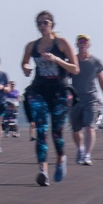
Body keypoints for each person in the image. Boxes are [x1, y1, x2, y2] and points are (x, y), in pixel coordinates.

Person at [21, 11, 79, 186]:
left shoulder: (61, 43)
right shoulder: (32, 46)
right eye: (39, 23)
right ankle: (42, 170)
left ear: (52, 24)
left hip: (59, 92)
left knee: (57, 131)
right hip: (39, 90)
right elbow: (24, 62)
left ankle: (61, 158)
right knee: (41, 130)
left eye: (45, 22)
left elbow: (75, 69)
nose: (42, 26)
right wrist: (26, 68)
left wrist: (56, 59)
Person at [70, 34, 103, 165]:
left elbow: (101, 79)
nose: (82, 44)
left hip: (91, 98)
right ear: (77, 45)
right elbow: (64, 79)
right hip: (76, 99)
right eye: (80, 42)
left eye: (85, 42)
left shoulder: (95, 62)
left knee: (89, 127)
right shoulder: (73, 61)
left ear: (88, 44)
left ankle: (87, 155)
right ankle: (80, 149)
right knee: (75, 129)